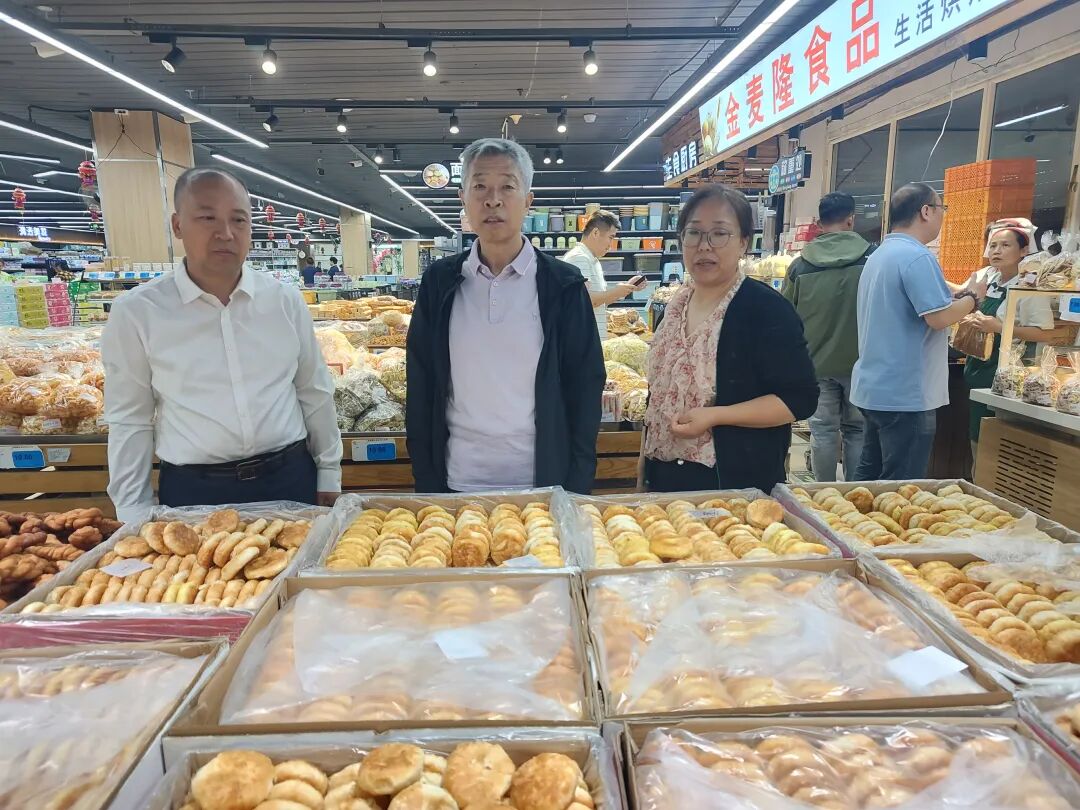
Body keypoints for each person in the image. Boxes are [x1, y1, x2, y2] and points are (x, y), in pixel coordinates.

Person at [101, 167, 342, 522]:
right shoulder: (138, 312)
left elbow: (313, 390)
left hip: (289, 480)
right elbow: (130, 418)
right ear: (177, 225)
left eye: (238, 220)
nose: (226, 233)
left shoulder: (284, 301)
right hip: (194, 491)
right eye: (207, 217)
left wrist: (329, 470)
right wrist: (132, 509)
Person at [406, 138, 605, 493]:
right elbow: (421, 383)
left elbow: (585, 387)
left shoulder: (563, 285)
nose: (493, 200)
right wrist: (426, 476)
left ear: (528, 200)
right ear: (463, 199)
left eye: (507, 187)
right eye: (480, 186)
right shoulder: (439, 283)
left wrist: (576, 484)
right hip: (457, 482)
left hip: (543, 486)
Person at [642, 185, 819, 493]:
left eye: (719, 233)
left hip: (734, 487)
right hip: (665, 478)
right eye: (694, 233)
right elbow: (657, 395)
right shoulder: (674, 308)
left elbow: (799, 399)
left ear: (743, 242)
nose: (704, 246)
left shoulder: (765, 309)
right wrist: (643, 469)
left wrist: (716, 415)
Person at [850, 182, 988, 481]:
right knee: (902, 486)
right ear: (926, 211)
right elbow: (938, 318)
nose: (942, 216)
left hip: (876, 386)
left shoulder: (880, 255)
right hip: (906, 393)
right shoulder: (917, 257)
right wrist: (973, 298)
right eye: (941, 208)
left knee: (868, 478)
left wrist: (958, 297)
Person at [782, 192, 871, 481]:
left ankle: (822, 492)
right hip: (860, 363)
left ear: (819, 224)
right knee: (857, 430)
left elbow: (786, 316)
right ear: (851, 220)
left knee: (822, 430)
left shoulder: (800, 266)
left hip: (815, 363)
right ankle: (855, 493)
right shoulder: (871, 260)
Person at [963, 218, 1054, 451]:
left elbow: (1044, 334)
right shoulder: (988, 278)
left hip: (1007, 377)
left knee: (995, 446)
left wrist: (998, 327)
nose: (996, 251)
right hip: (978, 370)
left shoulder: (1029, 286)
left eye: (1005, 245)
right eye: (993, 245)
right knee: (976, 439)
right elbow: (961, 295)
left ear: (1023, 250)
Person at [561, 210, 646, 335]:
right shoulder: (579, 258)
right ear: (595, 232)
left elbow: (600, 301)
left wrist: (627, 288)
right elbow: (584, 300)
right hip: (582, 339)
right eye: (610, 237)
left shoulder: (591, 259)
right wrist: (616, 291)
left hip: (590, 338)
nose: (611, 244)